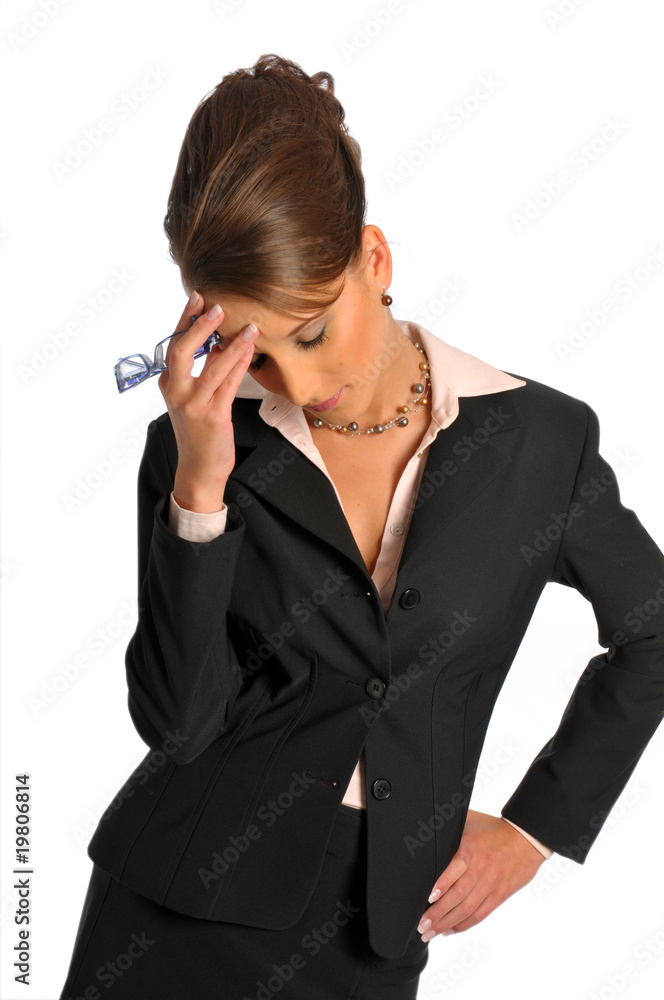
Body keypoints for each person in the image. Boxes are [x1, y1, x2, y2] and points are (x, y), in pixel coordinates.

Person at [59, 53, 664, 1000]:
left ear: (374, 261)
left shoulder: (541, 444)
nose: (299, 385)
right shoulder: (201, 446)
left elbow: (653, 631)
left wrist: (536, 828)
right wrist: (201, 485)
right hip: (170, 911)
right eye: (254, 355)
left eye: (310, 333)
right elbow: (178, 726)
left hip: (376, 930)